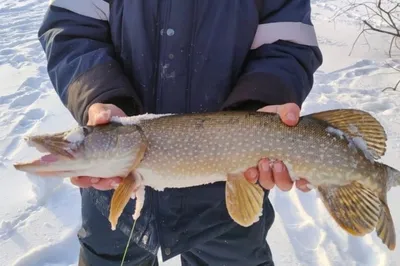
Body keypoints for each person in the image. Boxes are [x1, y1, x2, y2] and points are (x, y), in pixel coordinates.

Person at [38, 0, 323, 265]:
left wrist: (254, 113)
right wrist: (101, 95)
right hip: (113, 196)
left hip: (226, 198)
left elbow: (287, 43)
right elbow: (71, 30)